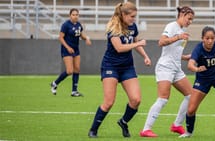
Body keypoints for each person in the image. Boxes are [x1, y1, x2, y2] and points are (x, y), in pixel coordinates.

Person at [87, 2, 151, 138]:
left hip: (127, 67)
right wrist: (138, 43)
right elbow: (120, 48)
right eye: (132, 16)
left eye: (135, 16)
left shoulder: (133, 26)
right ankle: (93, 130)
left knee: (136, 100)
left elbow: (134, 42)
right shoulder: (113, 27)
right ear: (123, 14)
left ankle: (123, 122)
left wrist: (145, 56)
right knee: (109, 102)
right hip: (111, 66)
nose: (134, 19)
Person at [139, 6, 195, 137]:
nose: (190, 22)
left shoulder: (182, 30)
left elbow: (173, 51)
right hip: (165, 67)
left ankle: (176, 125)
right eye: (189, 18)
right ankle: (146, 129)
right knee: (163, 99)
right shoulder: (172, 26)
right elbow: (161, 42)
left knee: (191, 96)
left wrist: (185, 57)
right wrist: (178, 37)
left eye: (192, 20)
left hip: (176, 68)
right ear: (182, 14)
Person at [50, 8, 92, 97]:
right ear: (70, 16)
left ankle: (74, 91)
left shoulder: (79, 25)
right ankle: (55, 83)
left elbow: (81, 34)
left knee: (77, 69)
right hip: (66, 49)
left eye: (77, 14)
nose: (75, 16)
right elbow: (60, 38)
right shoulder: (66, 25)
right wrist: (68, 47)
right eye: (73, 14)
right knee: (69, 71)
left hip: (76, 49)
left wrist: (87, 39)